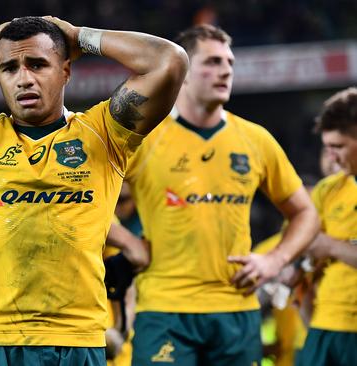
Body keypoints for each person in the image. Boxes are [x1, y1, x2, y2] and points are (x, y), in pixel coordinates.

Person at [0, 15, 187, 365]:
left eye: (38, 64)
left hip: (76, 341)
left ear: (66, 71)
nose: (24, 78)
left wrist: (79, 36)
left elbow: (169, 60)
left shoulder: (105, 133)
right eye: (9, 68)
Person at [125, 24, 319, 366]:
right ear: (183, 73)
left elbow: (306, 214)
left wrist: (274, 260)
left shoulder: (255, 140)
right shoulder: (146, 140)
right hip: (165, 309)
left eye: (229, 62)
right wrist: (127, 241)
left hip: (236, 309)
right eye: (213, 62)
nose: (226, 70)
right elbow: (84, 190)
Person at [296, 87, 357, 366]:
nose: (331, 157)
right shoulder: (327, 191)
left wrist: (331, 245)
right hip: (326, 326)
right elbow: (307, 260)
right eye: (327, 147)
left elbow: (321, 245)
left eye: (339, 146)